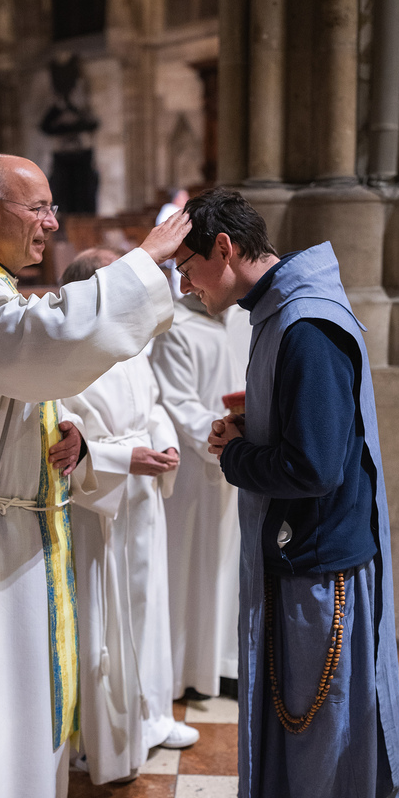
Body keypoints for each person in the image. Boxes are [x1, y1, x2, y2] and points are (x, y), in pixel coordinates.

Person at [0, 154, 191, 798]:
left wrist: (62, 429)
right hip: (0, 534)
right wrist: (142, 263)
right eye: (36, 207)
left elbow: (23, 388)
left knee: (35, 681)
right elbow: (43, 341)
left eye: (51, 208)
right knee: (3, 687)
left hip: (27, 520)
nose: (49, 223)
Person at [176, 187, 399, 798]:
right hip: (302, 555)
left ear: (223, 249)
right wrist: (255, 424)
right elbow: (312, 433)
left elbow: (314, 468)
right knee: (299, 723)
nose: (185, 284)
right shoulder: (278, 311)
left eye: (187, 267)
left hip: (321, 562)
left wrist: (237, 455)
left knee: (323, 727)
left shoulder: (305, 325)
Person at [61, 248, 200, 785]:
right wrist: (125, 460)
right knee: (106, 620)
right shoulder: (66, 356)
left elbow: (155, 406)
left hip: (143, 500)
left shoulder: (131, 343)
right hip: (100, 505)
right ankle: (104, 739)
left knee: (148, 605)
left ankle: (152, 715)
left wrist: (165, 444)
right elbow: (61, 440)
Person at [150, 292, 247, 699]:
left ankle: (226, 665)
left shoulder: (246, 320)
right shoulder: (176, 328)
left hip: (242, 462)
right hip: (196, 469)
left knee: (229, 567)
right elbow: (177, 401)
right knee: (191, 566)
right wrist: (223, 434)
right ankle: (186, 671)